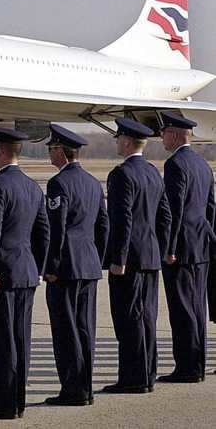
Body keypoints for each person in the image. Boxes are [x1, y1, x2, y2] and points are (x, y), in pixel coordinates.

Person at [0, 126, 50, 420]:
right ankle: (17, 401)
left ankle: (2, 404)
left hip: (1, 276)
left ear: (1, 151)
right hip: (26, 274)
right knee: (20, 339)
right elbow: (43, 233)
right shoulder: (33, 186)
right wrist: (38, 268)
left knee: (1, 342)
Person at [103, 117, 171, 394]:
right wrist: (163, 249)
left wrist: (118, 259)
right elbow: (165, 215)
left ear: (128, 141)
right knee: (147, 317)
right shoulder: (153, 172)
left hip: (129, 259)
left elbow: (122, 221)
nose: (117, 142)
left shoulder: (121, 174)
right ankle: (147, 374)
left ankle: (133, 378)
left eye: (118, 138)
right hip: (151, 255)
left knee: (128, 318)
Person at [43, 124, 109, 406]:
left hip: (66, 268)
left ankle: (73, 390)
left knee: (66, 330)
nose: (49, 155)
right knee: (85, 330)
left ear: (61, 151)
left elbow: (55, 229)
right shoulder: (93, 182)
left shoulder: (59, 183)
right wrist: (98, 258)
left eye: (51, 149)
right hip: (89, 265)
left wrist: (52, 266)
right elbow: (104, 226)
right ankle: (86, 388)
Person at [158, 111, 215, 382]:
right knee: (197, 308)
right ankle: (198, 364)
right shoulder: (203, 164)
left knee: (182, 308)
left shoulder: (175, 165)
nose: (162, 137)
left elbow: (174, 210)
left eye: (165, 132)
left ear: (178, 135)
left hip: (180, 248)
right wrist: (208, 237)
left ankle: (188, 368)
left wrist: (169, 247)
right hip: (200, 245)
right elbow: (211, 207)